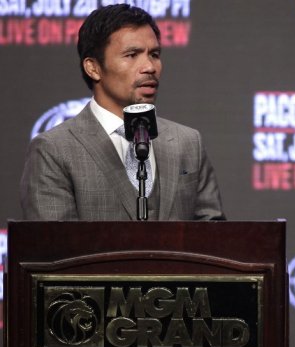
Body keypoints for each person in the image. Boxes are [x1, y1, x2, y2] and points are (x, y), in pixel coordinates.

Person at [20, 4, 225, 221]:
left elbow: (213, 236)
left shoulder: (188, 143)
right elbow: (55, 246)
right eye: (132, 55)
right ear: (93, 68)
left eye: (154, 54)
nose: (149, 66)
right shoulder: (54, 150)